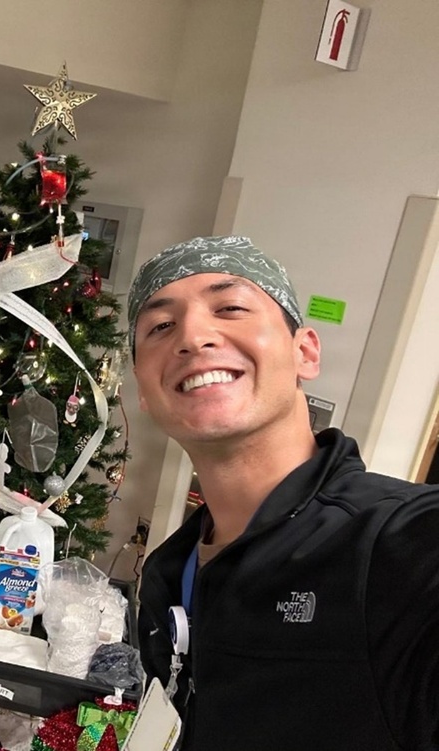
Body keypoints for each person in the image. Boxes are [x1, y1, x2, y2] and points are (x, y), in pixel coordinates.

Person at [129, 236, 439, 750]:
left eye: (230, 307)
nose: (193, 336)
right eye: (160, 327)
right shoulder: (168, 574)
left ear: (306, 352)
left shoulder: (397, 545)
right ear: (143, 390)